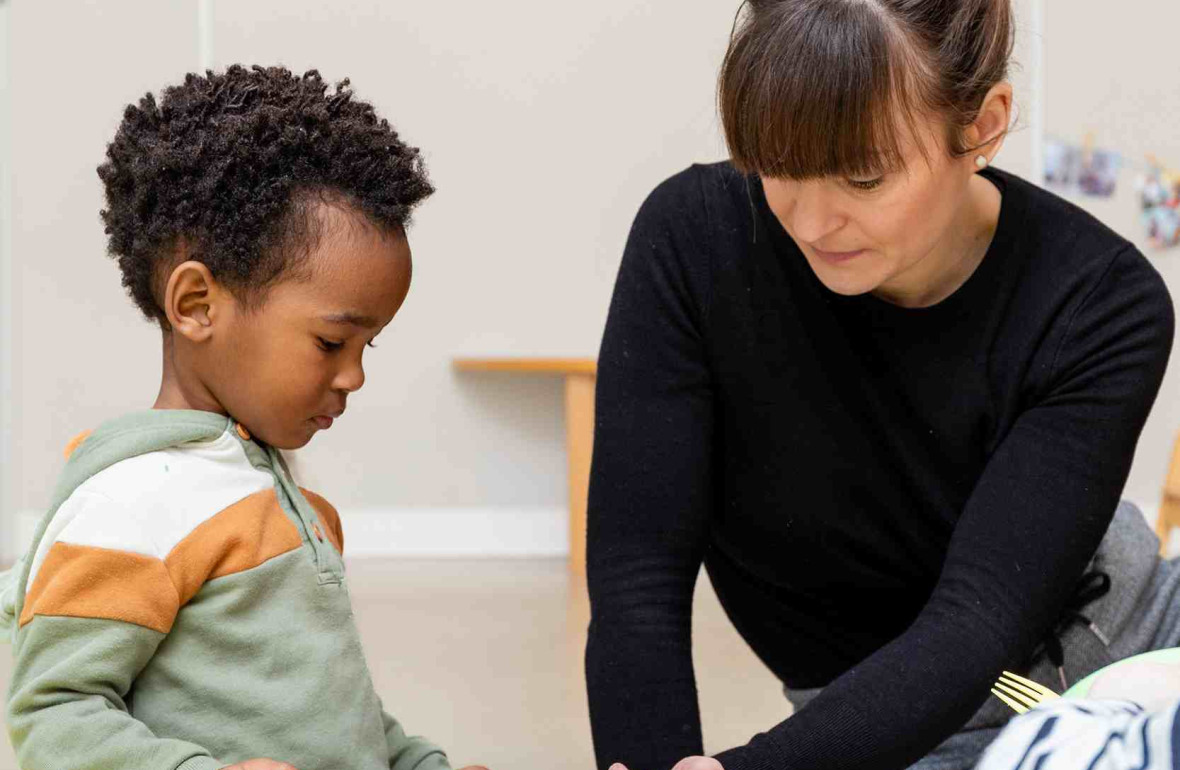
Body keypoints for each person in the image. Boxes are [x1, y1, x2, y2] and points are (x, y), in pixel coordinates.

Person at [584, 1, 1176, 769]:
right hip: (878, 735)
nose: (812, 222)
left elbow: (976, 619)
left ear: (984, 126)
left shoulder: (1101, 301)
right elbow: (638, 584)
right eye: (778, 166)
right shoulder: (692, 245)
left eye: (863, 177)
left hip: (1141, 656)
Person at [1, 65, 485, 770]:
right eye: (331, 342)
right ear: (197, 304)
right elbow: (53, 714)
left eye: (365, 346)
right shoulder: (130, 505)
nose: (354, 376)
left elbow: (330, 710)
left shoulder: (273, 492)